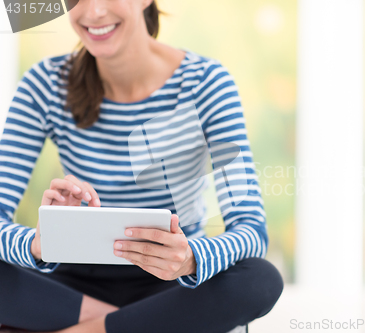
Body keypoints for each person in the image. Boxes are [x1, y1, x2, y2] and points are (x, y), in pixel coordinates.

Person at [0, 0, 283, 332]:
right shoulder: (45, 84)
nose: (93, 13)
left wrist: (191, 257)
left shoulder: (205, 83)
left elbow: (251, 228)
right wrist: (40, 242)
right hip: (75, 285)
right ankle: (129, 325)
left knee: (260, 279)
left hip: (172, 284)